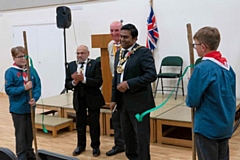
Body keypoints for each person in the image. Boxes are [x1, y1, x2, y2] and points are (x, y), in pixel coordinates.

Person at [186, 26, 236, 160]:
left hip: (208, 127)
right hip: (224, 125)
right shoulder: (228, 67)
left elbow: (192, 101)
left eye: (195, 45)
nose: (194, 48)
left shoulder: (202, 69)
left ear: (203, 46)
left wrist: (192, 83)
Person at [110, 24, 157, 160]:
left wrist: (129, 84)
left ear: (135, 38)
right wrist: (113, 98)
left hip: (139, 104)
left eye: (126, 37)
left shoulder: (143, 52)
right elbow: (116, 77)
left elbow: (151, 75)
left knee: (141, 138)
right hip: (123, 103)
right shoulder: (119, 53)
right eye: (121, 36)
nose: (122, 40)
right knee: (128, 137)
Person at [65, 45, 105, 157]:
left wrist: (84, 79)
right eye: (77, 53)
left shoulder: (95, 64)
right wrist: (74, 82)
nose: (80, 55)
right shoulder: (71, 65)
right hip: (79, 98)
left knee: (94, 124)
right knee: (80, 124)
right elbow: (67, 84)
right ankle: (80, 146)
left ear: (88, 53)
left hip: (93, 98)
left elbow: (99, 82)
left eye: (82, 53)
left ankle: (95, 146)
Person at [4, 46, 41, 160]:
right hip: (18, 108)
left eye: (25, 56)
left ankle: (30, 152)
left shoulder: (31, 70)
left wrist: (35, 98)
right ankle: (22, 155)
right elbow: (9, 90)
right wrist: (23, 88)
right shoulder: (10, 72)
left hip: (29, 108)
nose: (23, 58)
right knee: (20, 134)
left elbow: (37, 86)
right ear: (14, 58)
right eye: (20, 56)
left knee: (30, 132)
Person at [106, 21, 125, 156]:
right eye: (112, 30)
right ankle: (119, 144)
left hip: (127, 84)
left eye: (117, 30)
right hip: (115, 82)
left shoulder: (129, 46)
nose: (114, 33)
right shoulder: (110, 45)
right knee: (115, 115)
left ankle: (131, 145)